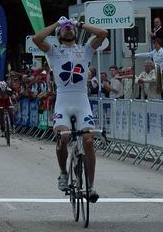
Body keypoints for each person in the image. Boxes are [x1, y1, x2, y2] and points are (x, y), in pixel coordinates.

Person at [32, 16, 108, 203]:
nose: (68, 28)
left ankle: (90, 186)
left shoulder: (86, 49)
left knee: (88, 140)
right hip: (63, 102)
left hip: (82, 102)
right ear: (59, 34)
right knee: (64, 136)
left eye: (70, 27)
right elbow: (37, 39)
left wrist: (79, 24)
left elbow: (103, 34)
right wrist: (57, 23)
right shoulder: (54, 52)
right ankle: (64, 173)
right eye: (65, 28)